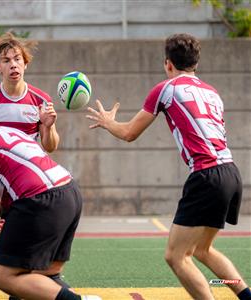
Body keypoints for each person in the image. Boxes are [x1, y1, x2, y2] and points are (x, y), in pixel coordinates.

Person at [86, 33, 251, 300]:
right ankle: (246, 294)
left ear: (168, 64)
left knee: (175, 257)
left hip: (207, 175)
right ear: (196, 63)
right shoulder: (212, 92)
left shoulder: (166, 89)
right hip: (231, 172)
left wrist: (107, 122)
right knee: (202, 250)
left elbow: (129, 133)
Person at [0, 91, 100, 300]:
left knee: (5, 277)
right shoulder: (1, 131)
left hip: (39, 199)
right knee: (44, 275)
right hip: (69, 191)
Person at [0, 32, 60, 300]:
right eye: (6, 60)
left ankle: (14, 285)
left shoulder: (40, 99)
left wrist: (48, 126)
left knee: (22, 246)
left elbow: (50, 146)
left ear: (25, 64)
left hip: (25, 187)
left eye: (17, 59)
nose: (13, 64)